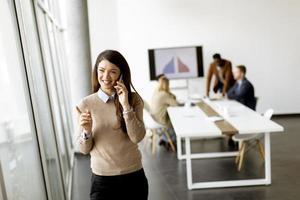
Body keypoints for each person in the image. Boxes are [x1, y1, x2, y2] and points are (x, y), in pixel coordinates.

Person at [76, 50, 148, 200]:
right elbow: (83, 149)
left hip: (133, 177)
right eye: (101, 71)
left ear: (121, 74)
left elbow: (137, 137)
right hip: (102, 181)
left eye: (113, 72)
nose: (106, 77)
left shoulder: (134, 100)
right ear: (96, 72)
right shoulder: (86, 104)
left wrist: (126, 106)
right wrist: (86, 131)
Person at [150, 76, 179, 149]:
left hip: (153, 118)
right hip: (160, 120)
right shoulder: (164, 94)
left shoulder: (157, 92)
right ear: (167, 85)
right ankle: (172, 141)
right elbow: (176, 104)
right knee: (176, 120)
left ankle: (164, 139)